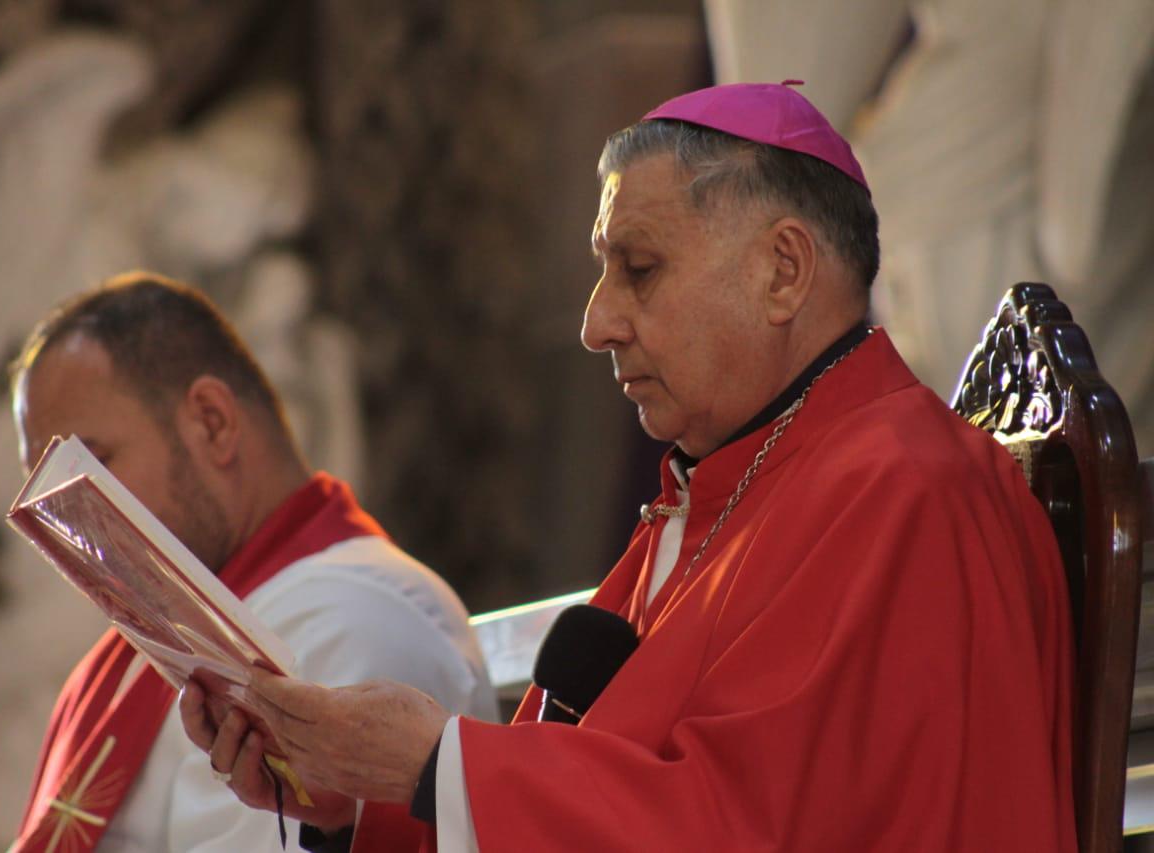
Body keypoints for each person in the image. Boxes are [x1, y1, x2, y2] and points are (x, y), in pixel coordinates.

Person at [179, 82, 1076, 851]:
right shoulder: (711, 497)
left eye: (638, 268)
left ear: (784, 270)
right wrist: (356, 802)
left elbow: (748, 828)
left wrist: (439, 762)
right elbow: (594, 794)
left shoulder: (904, 488)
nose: (596, 322)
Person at [7, 272, 498, 852]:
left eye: (91, 467)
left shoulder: (347, 615)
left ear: (212, 423)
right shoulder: (143, 660)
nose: (71, 524)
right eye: (49, 496)